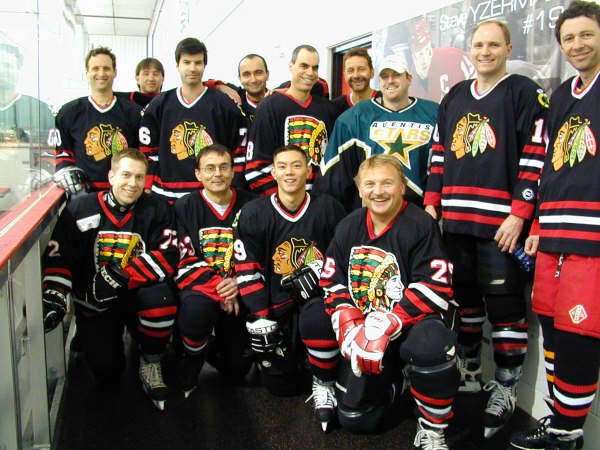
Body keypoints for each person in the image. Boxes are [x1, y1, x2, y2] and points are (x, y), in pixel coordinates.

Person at [423, 20, 548, 438]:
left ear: (508, 47)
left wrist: (519, 213)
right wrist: (431, 200)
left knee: (507, 307)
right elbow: (439, 153)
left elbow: (536, 157)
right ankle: (470, 370)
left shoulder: (524, 93)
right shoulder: (455, 95)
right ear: (469, 50)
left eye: (494, 44)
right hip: (456, 222)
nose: (486, 51)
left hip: (501, 226)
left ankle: (507, 387)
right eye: (479, 45)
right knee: (466, 301)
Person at [301, 154, 459, 445]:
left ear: (402, 187)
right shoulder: (349, 225)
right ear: (360, 189)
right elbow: (331, 278)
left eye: (387, 183)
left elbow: (437, 284)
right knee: (356, 418)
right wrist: (347, 318)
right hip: (365, 329)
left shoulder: (420, 224)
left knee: (431, 345)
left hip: (410, 324)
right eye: (370, 184)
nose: (378, 191)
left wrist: (392, 320)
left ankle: (433, 429)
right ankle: (378, 384)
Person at [508, 2, 600, 448]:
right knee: (550, 322)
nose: (577, 44)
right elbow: (547, 166)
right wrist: (538, 221)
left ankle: (568, 432)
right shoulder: (562, 95)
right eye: (569, 38)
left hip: (592, 241)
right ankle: (559, 416)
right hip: (553, 235)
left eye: (587, 35)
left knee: (580, 332)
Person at [41, 148, 178, 410]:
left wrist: (120, 275)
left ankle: (151, 358)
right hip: (95, 300)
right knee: (107, 372)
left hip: (139, 294)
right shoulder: (81, 207)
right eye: (126, 175)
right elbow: (60, 254)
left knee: (162, 300)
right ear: (111, 176)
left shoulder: (157, 208)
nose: (132, 183)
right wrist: (56, 292)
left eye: (139, 177)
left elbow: (168, 256)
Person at [234, 144, 346, 397]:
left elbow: (344, 258)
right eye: (282, 166)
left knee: (320, 333)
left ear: (309, 171)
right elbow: (247, 268)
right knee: (280, 387)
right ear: (273, 173)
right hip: (276, 306)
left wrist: (320, 274)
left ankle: (323, 379)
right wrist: (261, 315)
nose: (289, 172)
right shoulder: (253, 213)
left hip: (318, 301)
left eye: (297, 165)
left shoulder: (329, 208)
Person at [174, 144, 257, 397]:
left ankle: (211, 346)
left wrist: (238, 283)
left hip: (240, 288)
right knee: (195, 312)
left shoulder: (253, 205)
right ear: (198, 174)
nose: (217, 174)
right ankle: (191, 359)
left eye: (223, 167)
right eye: (210, 168)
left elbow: (259, 253)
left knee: (236, 369)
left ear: (233, 172)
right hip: (203, 288)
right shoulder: (185, 206)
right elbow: (183, 258)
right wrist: (222, 288)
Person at [315, 53, 438, 211]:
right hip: (372, 216)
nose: (390, 81)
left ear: (409, 78)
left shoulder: (433, 114)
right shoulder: (355, 117)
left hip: (420, 213)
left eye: (396, 75)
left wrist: (434, 205)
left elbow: (442, 166)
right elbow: (332, 177)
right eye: (385, 76)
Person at [139, 37, 245, 200]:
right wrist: (147, 187)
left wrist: (234, 188)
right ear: (177, 64)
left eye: (198, 63)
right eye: (187, 62)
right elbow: (148, 152)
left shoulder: (224, 105)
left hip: (212, 196)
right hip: (166, 195)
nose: (192, 68)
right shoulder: (159, 105)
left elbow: (238, 152)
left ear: (204, 65)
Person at [245, 44, 339, 196]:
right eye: (304, 66)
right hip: (281, 205)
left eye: (315, 68)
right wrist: (285, 201)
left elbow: (333, 165)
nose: (310, 72)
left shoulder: (328, 110)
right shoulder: (269, 107)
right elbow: (255, 168)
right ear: (291, 66)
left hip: (318, 204)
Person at [53, 47, 141, 194]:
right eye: (95, 68)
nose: (101, 73)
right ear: (87, 73)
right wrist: (66, 170)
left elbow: (141, 154)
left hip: (124, 193)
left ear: (115, 72)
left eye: (106, 68)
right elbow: (62, 152)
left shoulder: (133, 112)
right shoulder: (68, 112)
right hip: (84, 195)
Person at [406, 15, 475, 102]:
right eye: (420, 55)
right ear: (413, 57)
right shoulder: (411, 83)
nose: (425, 60)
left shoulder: (453, 56)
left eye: (428, 51)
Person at [331, 47, 379, 115]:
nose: (356, 75)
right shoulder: (335, 107)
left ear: (372, 72)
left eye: (361, 69)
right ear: (345, 75)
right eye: (350, 70)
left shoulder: (385, 101)